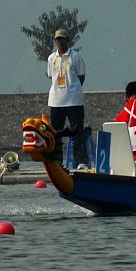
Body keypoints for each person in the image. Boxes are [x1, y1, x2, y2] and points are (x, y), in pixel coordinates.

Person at [46, 29, 88, 168]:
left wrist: (72, 90)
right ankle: (56, 160)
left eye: (62, 39)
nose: (60, 42)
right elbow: (51, 76)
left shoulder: (75, 57)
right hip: (56, 101)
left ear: (67, 40)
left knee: (77, 131)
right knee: (56, 133)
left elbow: (81, 76)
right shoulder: (51, 58)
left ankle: (80, 160)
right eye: (57, 39)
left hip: (73, 100)